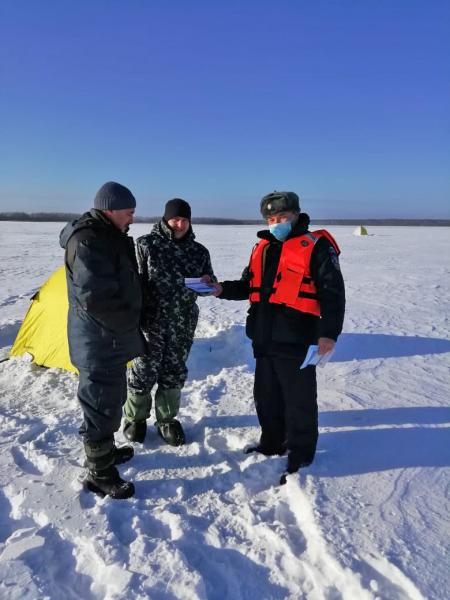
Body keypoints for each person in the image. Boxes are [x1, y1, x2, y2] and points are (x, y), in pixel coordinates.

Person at [210, 191, 345, 483]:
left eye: (282, 217)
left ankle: (302, 454)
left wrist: (329, 334)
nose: (276, 223)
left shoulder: (317, 246)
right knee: (266, 397)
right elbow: (249, 285)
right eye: (271, 218)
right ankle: (272, 442)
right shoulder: (263, 247)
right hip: (264, 338)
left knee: (299, 401)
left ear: (296, 215)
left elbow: (333, 294)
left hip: (297, 339)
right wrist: (222, 289)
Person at [60, 181, 144, 499]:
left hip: (107, 337)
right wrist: (132, 321)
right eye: (128, 212)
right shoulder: (89, 242)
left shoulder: (107, 236)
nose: (132, 219)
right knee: (99, 403)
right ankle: (99, 472)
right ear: (110, 210)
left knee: (109, 399)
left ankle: (104, 452)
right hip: (99, 339)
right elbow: (96, 298)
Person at [122, 198, 216, 445]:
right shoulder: (145, 245)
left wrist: (208, 284)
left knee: (173, 372)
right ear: (166, 219)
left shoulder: (199, 252)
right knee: (143, 371)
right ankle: (135, 419)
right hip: (149, 322)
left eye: (185, 220)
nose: (181, 224)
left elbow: (208, 286)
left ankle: (167, 420)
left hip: (182, 324)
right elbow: (132, 284)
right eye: (176, 219)